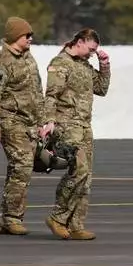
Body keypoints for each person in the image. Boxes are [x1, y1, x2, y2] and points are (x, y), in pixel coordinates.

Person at [43, 27, 110, 241]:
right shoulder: (60, 63)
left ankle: (76, 224)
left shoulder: (84, 65)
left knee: (86, 176)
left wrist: (104, 65)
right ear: (79, 42)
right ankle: (58, 217)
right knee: (78, 170)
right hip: (67, 126)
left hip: (84, 126)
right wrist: (49, 121)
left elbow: (101, 89)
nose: (91, 54)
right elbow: (51, 95)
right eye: (90, 49)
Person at [0, 15, 50, 236]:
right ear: (15, 36)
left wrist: (42, 121)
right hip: (10, 121)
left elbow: (37, 91)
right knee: (22, 164)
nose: (31, 38)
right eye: (27, 35)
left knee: (21, 169)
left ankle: (9, 217)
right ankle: (11, 218)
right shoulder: (0, 62)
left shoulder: (28, 58)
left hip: (30, 122)